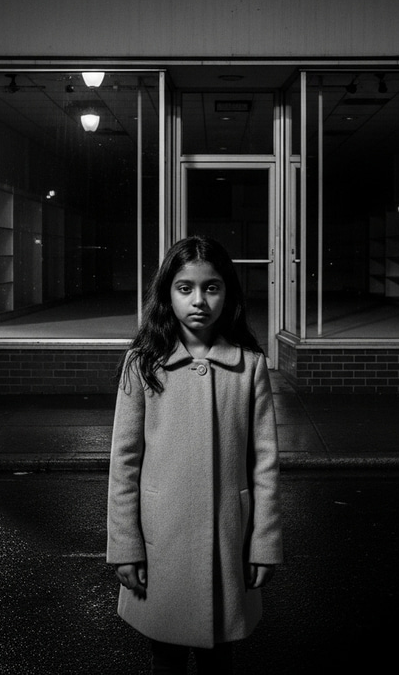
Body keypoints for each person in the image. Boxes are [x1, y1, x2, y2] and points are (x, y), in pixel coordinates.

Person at [107, 235, 284, 674]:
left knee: (219, 659)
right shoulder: (143, 363)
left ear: (228, 293)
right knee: (164, 658)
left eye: (212, 287)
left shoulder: (249, 365)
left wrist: (264, 543)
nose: (199, 300)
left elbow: (265, 465)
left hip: (230, 540)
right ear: (167, 293)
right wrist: (125, 546)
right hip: (160, 540)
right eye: (185, 288)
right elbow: (124, 463)